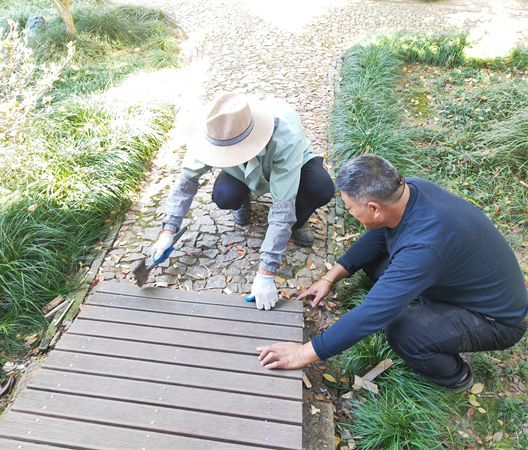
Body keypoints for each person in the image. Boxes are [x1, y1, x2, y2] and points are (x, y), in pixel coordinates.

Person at [257, 154, 528, 389]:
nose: (349, 213)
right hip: (460, 278)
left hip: (497, 319)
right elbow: (378, 237)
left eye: (350, 208)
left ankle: (456, 376)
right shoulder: (412, 190)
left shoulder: (423, 249)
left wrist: (303, 353)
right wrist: (331, 277)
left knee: (402, 331)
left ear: (374, 208)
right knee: (375, 265)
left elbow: (372, 313)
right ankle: (429, 305)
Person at [150, 92, 335, 310]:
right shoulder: (213, 129)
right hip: (240, 171)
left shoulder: (285, 134)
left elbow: (282, 204)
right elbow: (186, 182)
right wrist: (168, 231)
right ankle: (242, 198)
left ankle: (299, 219)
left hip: (294, 164)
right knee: (224, 195)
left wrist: (266, 272)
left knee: (320, 188)